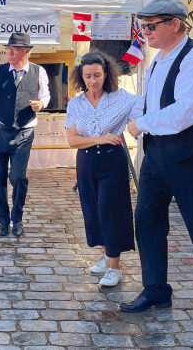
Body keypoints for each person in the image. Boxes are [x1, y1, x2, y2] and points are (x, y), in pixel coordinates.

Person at [122, 0, 193, 313]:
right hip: (157, 154)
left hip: (189, 156)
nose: (145, 32)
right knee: (147, 220)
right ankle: (156, 289)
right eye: (143, 26)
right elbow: (151, 102)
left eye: (151, 26)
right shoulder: (157, 59)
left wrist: (140, 124)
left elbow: (185, 113)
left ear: (175, 24)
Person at [65, 52, 141, 287]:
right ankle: (107, 254)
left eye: (97, 75)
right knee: (94, 210)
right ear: (81, 77)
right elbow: (72, 140)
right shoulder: (77, 104)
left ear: (107, 74)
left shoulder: (122, 99)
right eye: (88, 76)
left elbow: (146, 106)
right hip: (87, 162)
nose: (93, 81)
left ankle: (115, 267)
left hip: (112, 161)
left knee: (111, 209)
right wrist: (98, 138)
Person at [0, 32, 50, 237]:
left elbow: (46, 95)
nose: (10, 54)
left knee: (18, 177)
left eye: (14, 51)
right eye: (8, 50)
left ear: (27, 52)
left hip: (24, 132)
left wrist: (41, 104)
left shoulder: (38, 71)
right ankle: (3, 221)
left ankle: (18, 218)